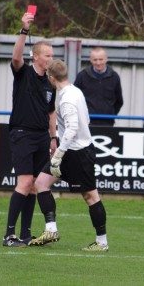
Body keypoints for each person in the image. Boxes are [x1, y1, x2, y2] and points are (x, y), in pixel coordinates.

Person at [30, 59, 108, 251]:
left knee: (90, 196)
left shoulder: (67, 99)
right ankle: (51, 229)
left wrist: (59, 152)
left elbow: (73, 128)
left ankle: (102, 242)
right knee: (41, 183)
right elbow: (86, 119)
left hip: (78, 153)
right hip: (69, 151)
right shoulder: (74, 91)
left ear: (51, 77)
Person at [2, 12, 57, 247]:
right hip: (22, 133)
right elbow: (16, 57)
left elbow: (51, 112)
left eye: (52, 55)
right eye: (47, 55)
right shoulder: (23, 72)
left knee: (35, 185)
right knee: (24, 183)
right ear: (35, 57)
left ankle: (25, 234)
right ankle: (9, 235)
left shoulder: (51, 82)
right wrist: (24, 30)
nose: (51, 59)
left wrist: (53, 138)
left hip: (42, 137)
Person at [74, 47, 123, 126]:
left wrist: (111, 115)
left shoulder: (114, 77)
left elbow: (119, 101)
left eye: (101, 59)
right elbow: (74, 98)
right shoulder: (82, 76)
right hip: (86, 123)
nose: (98, 63)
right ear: (90, 60)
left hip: (108, 123)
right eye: (95, 60)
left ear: (106, 59)